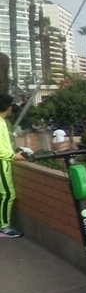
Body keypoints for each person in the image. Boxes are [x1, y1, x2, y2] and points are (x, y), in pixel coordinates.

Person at [0, 94, 26, 238]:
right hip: (2, 163)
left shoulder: (2, 122)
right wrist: (13, 156)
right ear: (9, 108)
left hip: (4, 161)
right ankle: (4, 227)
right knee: (8, 194)